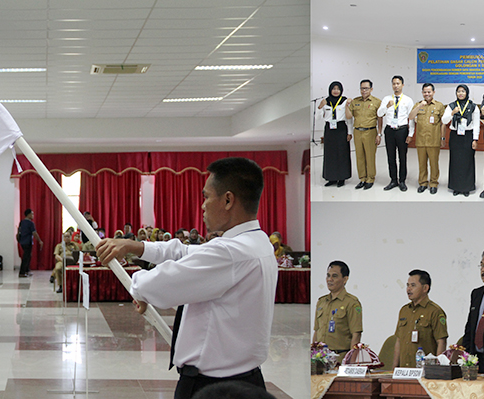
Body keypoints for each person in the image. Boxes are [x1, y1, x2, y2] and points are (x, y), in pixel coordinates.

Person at [97, 157, 277, 399]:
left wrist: (138, 288)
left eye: (206, 196)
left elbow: (160, 284)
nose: (202, 206)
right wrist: (137, 246)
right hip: (245, 378)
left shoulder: (230, 253)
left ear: (227, 200)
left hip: (216, 388)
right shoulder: (256, 242)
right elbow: (187, 252)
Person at [392, 269, 447, 368]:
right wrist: (394, 368)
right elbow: (399, 341)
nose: (408, 289)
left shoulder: (435, 311)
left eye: (413, 285)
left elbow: (441, 342)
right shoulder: (404, 310)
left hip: (424, 371)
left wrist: (438, 369)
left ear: (425, 288)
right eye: (407, 285)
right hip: (404, 371)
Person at [312, 261, 362, 357]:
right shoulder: (322, 302)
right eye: (328, 276)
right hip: (320, 357)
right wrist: (313, 354)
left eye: (334, 276)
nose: (329, 279)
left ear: (345, 279)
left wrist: (350, 362)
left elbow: (356, 334)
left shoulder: (352, 302)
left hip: (339, 356)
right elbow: (316, 331)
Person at [377, 75, 416, 191]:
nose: (396, 86)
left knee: (402, 157)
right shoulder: (386, 99)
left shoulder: (408, 100)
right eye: (394, 83)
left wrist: (410, 134)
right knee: (390, 157)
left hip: (402, 130)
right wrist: (386, 107)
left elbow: (412, 118)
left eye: (398, 83)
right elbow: (379, 114)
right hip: (389, 130)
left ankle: (402, 180)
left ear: (402, 85)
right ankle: (393, 180)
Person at [441, 84, 480, 196]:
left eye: (463, 91)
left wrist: (475, 139)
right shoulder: (451, 105)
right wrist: (452, 113)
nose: (461, 93)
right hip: (455, 135)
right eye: (458, 91)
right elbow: (444, 120)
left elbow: (476, 124)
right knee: (455, 161)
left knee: (468, 162)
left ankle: (467, 187)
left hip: (468, 135)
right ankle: (456, 187)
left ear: (467, 93)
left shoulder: (473, 106)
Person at [408, 83, 445, 194]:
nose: (427, 94)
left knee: (434, 164)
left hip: (434, 140)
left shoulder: (439, 105)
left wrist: (442, 138)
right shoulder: (418, 104)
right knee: (422, 164)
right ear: (422, 93)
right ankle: (423, 183)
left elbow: (443, 123)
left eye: (429, 92)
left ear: (433, 92)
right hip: (421, 140)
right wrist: (419, 106)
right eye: (424, 92)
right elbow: (410, 117)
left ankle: (433, 183)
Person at [346, 79, 382, 190]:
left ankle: (370, 179)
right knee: (360, 156)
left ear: (371, 89)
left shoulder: (377, 102)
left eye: (366, 88)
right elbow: (348, 116)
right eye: (362, 88)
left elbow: (380, 119)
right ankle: (362, 178)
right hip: (357, 132)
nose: (364, 90)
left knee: (370, 156)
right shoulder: (355, 101)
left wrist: (379, 134)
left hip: (370, 131)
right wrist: (347, 106)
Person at [319, 81, 351, 187]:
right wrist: (320, 107)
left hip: (341, 128)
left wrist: (349, 132)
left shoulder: (345, 101)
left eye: (338, 89)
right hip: (329, 129)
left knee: (342, 153)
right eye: (334, 89)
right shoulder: (325, 101)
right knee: (330, 154)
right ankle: (331, 178)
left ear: (341, 90)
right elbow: (319, 118)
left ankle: (342, 178)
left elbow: (349, 119)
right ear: (330, 90)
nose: (336, 91)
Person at [16, 208, 41, 280]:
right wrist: (39, 240)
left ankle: (27, 270)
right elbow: (34, 233)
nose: (33, 215)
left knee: (27, 256)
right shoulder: (30, 223)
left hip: (22, 241)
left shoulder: (22, 222)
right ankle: (22, 272)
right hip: (28, 241)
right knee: (26, 257)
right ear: (29, 214)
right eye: (32, 214)